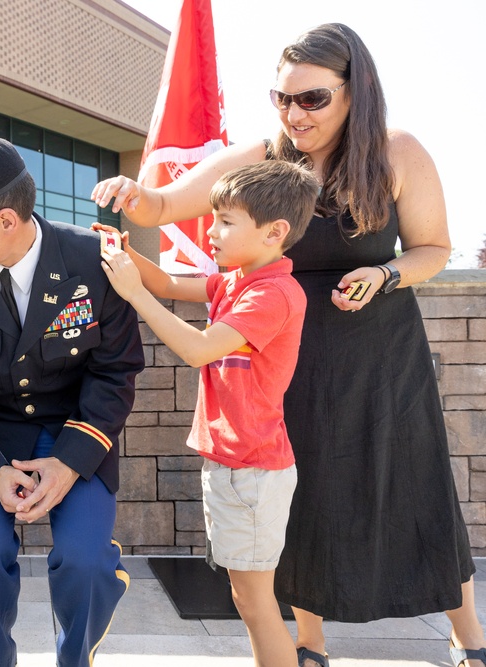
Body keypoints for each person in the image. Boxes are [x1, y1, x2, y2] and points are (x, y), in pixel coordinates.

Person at [92, 22, 484, 667]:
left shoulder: (396, 151)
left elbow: (433, 249)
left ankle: (468, 635)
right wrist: (134, 195)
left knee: (414, 486)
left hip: (380, 352)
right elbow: (162, 205)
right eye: (282, 97)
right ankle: (308, 643)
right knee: (301, 493)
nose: (294, 112)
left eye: (312, 99)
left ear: (355, 91)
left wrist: (385, 274)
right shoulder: (263, 157)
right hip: (286, 351)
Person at [0, 136, 144, 667]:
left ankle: (74, 659)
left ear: (6, 221)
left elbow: (116, 370)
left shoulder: (95, 260)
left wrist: (67, 464)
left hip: (77, 432)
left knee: (84, 564)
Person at [101, 160, 319, 667]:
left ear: (274, 232)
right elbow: (172, 286)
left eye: (225, 220)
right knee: (248, 599)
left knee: (256, 602)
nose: (211, 230)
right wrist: (126, 254)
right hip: (236, 465)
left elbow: (199, 349)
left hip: (251, 470)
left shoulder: (271, 294)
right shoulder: (237, 282)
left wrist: (132, 292)